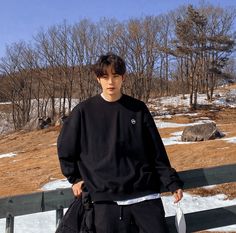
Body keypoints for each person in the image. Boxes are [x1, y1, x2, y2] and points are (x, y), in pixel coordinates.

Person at [57, 53, 184, 233]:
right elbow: (66, 148)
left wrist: (171, 183)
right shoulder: (83, 112)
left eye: (115, 76)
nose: (111, 82)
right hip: (106, 202)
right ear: (98, 79)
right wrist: (75, 178)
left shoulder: (138, 109)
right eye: (105, 76)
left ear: (123, 77)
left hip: (145, 196)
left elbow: (156, 151)